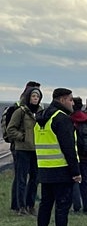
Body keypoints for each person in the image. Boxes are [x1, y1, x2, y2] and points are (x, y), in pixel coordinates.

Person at [34, 88, 81, 226]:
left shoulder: (41, 118)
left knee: (45, 205)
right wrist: (76, 172)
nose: (72, 103)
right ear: (62, 100)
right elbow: (68, 148)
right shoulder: (61, 119)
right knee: (62, 206)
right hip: (61, 169)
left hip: (44, 169)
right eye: (70, 99)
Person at [7, 85, 43, 216]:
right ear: (28, 97)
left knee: (35, 178)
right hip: (22, 149)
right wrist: (22, 137)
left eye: (38, 96)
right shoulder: (20, 111)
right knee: (21, 179)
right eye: (33, 96)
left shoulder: (40, 112)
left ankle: (30, 204)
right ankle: (21, 206)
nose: (35, 98)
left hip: (36, 150)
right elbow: (10, 129)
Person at [70, 97, 87, 213]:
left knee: (73, 179)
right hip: (86, 154)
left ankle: (76, 206)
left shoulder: (69, 119)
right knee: (85, 180)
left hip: (74, 154)